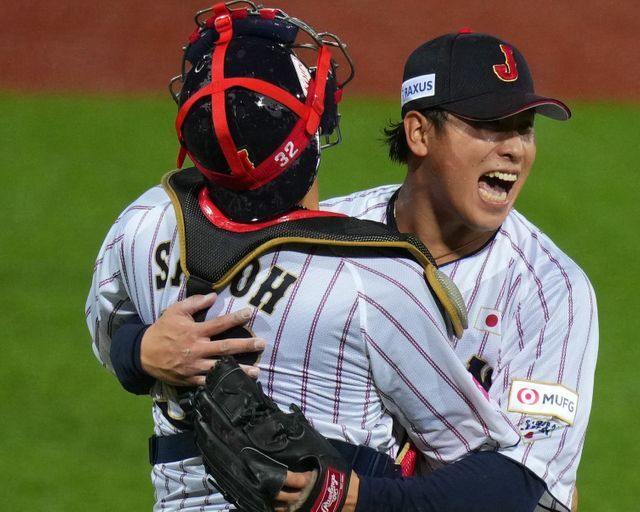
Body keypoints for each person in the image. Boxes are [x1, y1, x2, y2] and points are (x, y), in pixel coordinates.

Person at [115, 26, 598, 512]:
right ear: (419, 132)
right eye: (490, 125)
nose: (515, 148)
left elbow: (525, 484)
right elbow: (194, 321)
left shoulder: (552, 291)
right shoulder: (328, 235)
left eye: (525, 127)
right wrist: (138, 351)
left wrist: (356, 498)